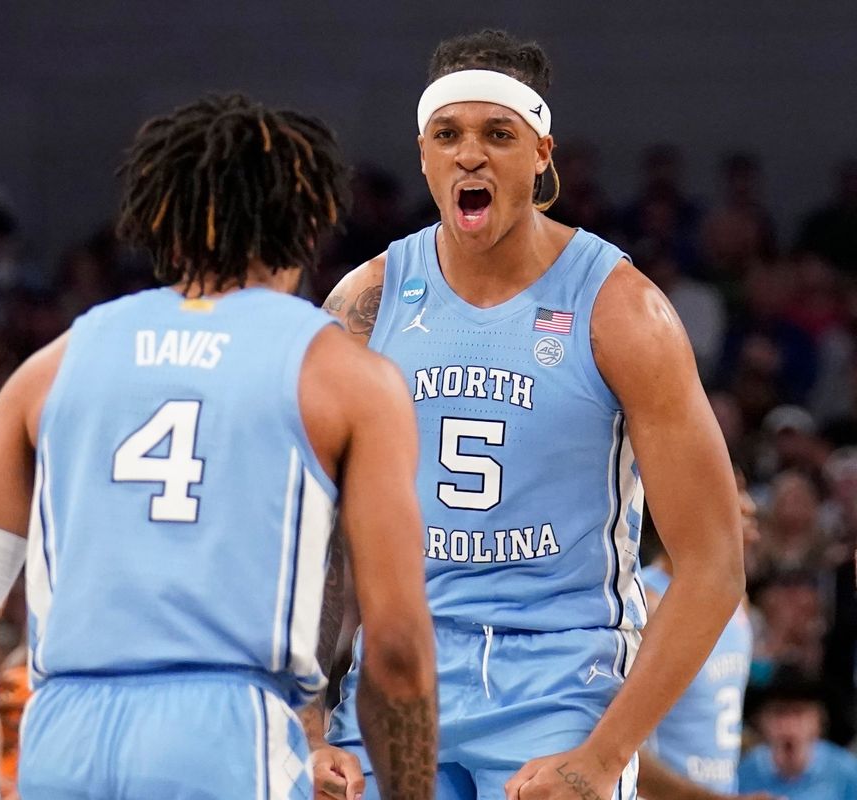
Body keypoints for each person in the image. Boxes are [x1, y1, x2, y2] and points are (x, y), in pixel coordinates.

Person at [0, 92, 438, 800]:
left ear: (161, 218)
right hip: (224, 734)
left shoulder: (52, 365)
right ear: (307, 224)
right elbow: (398, 650)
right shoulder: (345, 375)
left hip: (63, 735)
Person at [313, 29, 744, 800]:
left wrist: (605, 756)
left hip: (560, 681)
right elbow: (313, 534)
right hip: (398, 675)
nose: (469, 155)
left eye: (497, 135)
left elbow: (713, 564)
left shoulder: (623, 310)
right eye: (448, 135)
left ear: (542, 153)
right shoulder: (364, 301)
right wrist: (307, 722)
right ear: (423, 154)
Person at [637, 471, 775, 800]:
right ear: (688, 506)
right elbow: (613, 751)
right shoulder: (645, 605)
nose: (750, 505)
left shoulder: (736, 599)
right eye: (736, 491)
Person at [737, 667, 857, 798]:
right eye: (779, 713)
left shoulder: (846, 772)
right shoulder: (745, 773)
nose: (789, 726)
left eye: (798, 713)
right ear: (760, 722)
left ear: (818, 721)